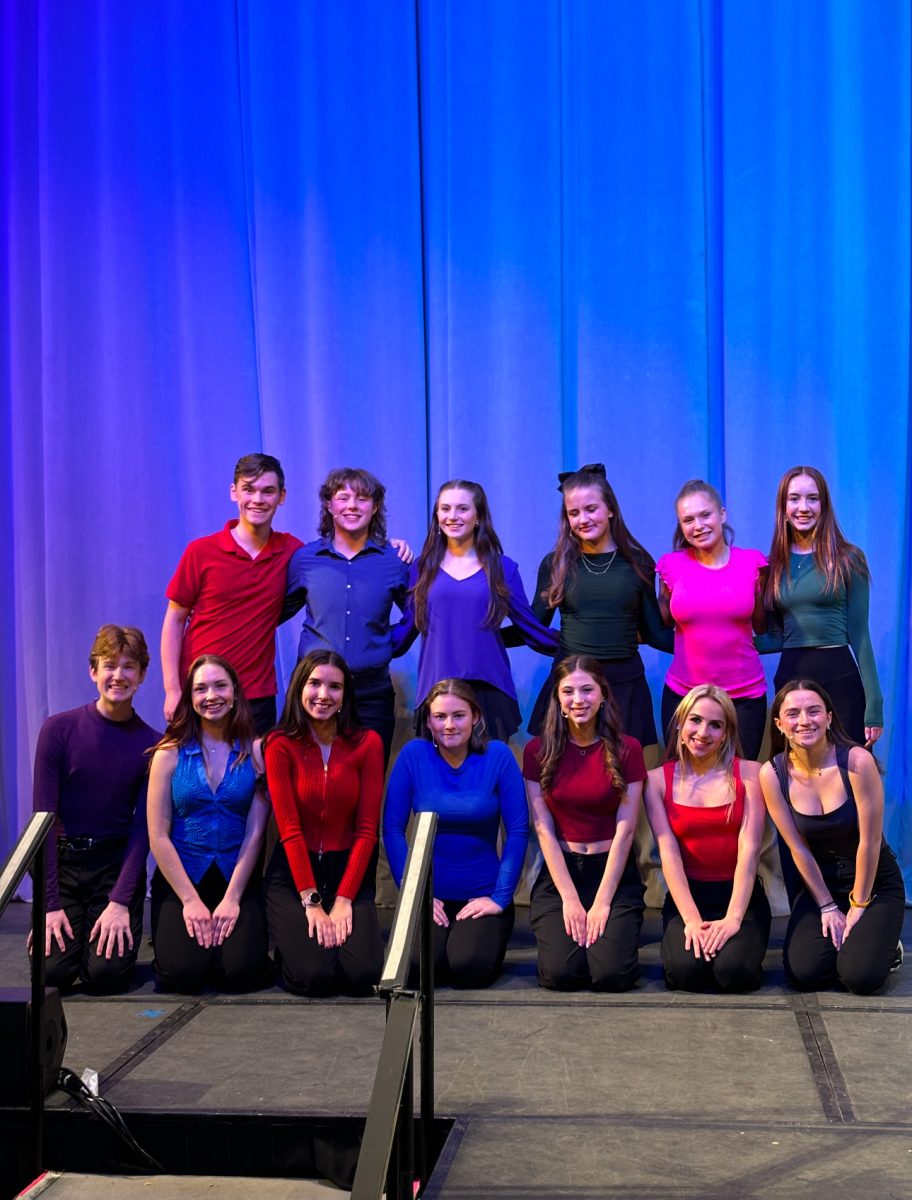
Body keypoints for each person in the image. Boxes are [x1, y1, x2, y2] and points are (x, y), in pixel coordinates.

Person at [30, 625, 159, 992]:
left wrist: (119, 901)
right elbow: (43, 819)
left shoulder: (153, 745)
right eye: (109, 665)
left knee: (106, 975)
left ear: (143, 675)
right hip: (64, 867)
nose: (118, 675)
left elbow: (141, 831)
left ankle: (107, 925)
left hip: (112, 869)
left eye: (129, 666)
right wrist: (49, 903)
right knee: (50, 973)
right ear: (93, 671)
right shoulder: (58, 730)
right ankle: (72, 923)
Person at [759, 680, 904, 994]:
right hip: (821, 885)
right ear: (779, 724)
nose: (804, 720)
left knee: (860, 978)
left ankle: (885, 947)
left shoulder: (856, 762)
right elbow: (797, 848)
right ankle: (859, 944)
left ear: (828, 717)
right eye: (793, 713)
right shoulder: (772, 774)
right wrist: (826, 905)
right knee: (805, 973)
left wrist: (859, 905)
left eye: (813, 711)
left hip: (873, 883)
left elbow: (871, 841)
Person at [384, 679, 528, 988]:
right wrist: (413, 894)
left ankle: (482, 938)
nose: (449, 725)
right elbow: (393, 830)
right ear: (429, 720)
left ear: (475, 717)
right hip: (428, 895)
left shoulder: (498, 756)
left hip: (482, 895)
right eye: (440, 717)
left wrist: (500, 897)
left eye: (458, 715)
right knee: (421, 969)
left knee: (468, 967)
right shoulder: (413, 756)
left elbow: (517, 831)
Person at [396, 479, 558, 740]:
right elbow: (404, 632)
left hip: (489, 689)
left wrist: (575, 643)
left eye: (462, 509)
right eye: (445, 508)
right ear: (436, 515)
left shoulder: (503, 569)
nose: (453, 516)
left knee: (486, 776)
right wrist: (363, 647)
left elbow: (530, 628)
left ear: (479, 516)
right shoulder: (420, 568)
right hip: (436, 691)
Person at [147, 655, 271, 993]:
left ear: (235, 692)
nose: (211, 695)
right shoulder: (168, 754)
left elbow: (255, 832)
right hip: (182, 878)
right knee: (181, 976)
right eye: (200, 688)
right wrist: (190, 901)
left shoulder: (256, 750)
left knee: (240, 974)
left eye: (220, 686)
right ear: (190, 697)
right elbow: (158, 835)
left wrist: (233, 899)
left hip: (236, 877)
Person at [263, 650, 384, 996]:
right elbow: (289, 829)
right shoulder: (279, 744)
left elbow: (366, 830)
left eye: (334, 687)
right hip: (292, 877)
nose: (323, 695)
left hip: (346, 871)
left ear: (345, 695)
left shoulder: (368, 744)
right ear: (299, 687)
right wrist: (312, 902)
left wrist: (345, 898)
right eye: (314, 683)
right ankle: (296, 948)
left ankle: (330, 941)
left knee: (364, 976)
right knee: (314, 977)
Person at [522, 655, 646, 991]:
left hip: (613, 872)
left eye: (588, 690)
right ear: (558, 699)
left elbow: (627, 830)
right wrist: (571, 900)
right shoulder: (537, 750)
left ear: (603, 694)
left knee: (610, 975)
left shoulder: (628, 749)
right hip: (562, 873)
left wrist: (603, 900)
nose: (579, 700)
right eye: (569, 692)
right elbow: (543, 828)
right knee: (561, 975)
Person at [528, 463, 672, 746]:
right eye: (574, 513)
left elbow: (655, 631)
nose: (583, 519)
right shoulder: (556, 564)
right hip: (572, 686)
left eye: (591, 509)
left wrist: (711, 646)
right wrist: (488, 635)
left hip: (624, 685)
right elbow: (533, 628)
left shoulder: (638, 562)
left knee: (623, 776)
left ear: (610, 509)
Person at [162, 453, 302, 734]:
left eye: (268, 491)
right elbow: (174, 621)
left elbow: (337, 555)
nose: (257, 499)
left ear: (282, 496)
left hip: (256, 696)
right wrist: (172, 689)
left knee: (252, 777)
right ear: (234, 492)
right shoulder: (201, 552)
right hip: (200, 691)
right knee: (192, 777)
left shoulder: (292, 551)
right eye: (248, 489)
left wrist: (388, 544)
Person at [643, 685, 770, 992]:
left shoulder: (752, 774)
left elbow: (749, 852)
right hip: (689, 896)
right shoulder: (657, 780)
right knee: (686, 973)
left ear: (727, 732)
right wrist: (690, 921)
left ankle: (740, 950)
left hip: (740, 896)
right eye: (695, 721)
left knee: (733, 973)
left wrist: (733, 920)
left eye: (716, 725)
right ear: (679, 723)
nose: (703, 732)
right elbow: (668, 855)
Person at [283, 467, 410, 766]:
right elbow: (276, 610)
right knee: (308, 782)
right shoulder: (305, 559)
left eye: (363, 498)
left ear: (375, 506)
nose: (353, 505)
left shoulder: (394, 560)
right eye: (343, 497)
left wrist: (389, 645)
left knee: (368, 784)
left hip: (371, 692)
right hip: (313, 690)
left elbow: (417, 616)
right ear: (329, 505)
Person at [763, 466, 883, 749]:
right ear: (783, 506)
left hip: (840, 677)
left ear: (824, 504)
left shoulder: (848, 558)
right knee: (793, 776)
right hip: (791, 679)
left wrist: (875, 703)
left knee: (848, 773)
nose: (803, 507)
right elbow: (776, 636)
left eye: (812, 498)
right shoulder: (772, 565)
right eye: (794, 499)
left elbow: (860, 634)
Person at [657, 479, 768, 759]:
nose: (698, 525)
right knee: (681, 782)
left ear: (722, 514)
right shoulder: (670, 566)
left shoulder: (752, 563)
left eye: (705, 515)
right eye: (688, 519)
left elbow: (764, 625)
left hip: (744, 696)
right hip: (684, 696)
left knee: (742, 781)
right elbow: (660, 624)